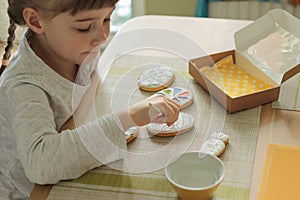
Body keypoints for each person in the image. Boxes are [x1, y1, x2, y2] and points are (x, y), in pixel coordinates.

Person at [0, 0, 180, 199]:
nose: (102, 37)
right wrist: (128, 117)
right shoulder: (24, 86)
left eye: (107, 18)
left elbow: (92, 86)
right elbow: (41, 164)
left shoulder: (75, 48)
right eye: (84, 27)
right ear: (35, 20)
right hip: (29, 192)